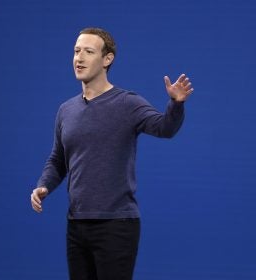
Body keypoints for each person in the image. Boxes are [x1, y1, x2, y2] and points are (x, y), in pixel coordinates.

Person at [31, 27, 193, 280]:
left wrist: (176, 104)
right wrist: (43, 186)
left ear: (107, 59)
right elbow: (58, 160)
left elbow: (165, 129)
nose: (79, 58)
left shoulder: (128, 103)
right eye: (76, 51)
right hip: (76, 224)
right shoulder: (66, 110)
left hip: (116, 226)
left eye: (88, 51)